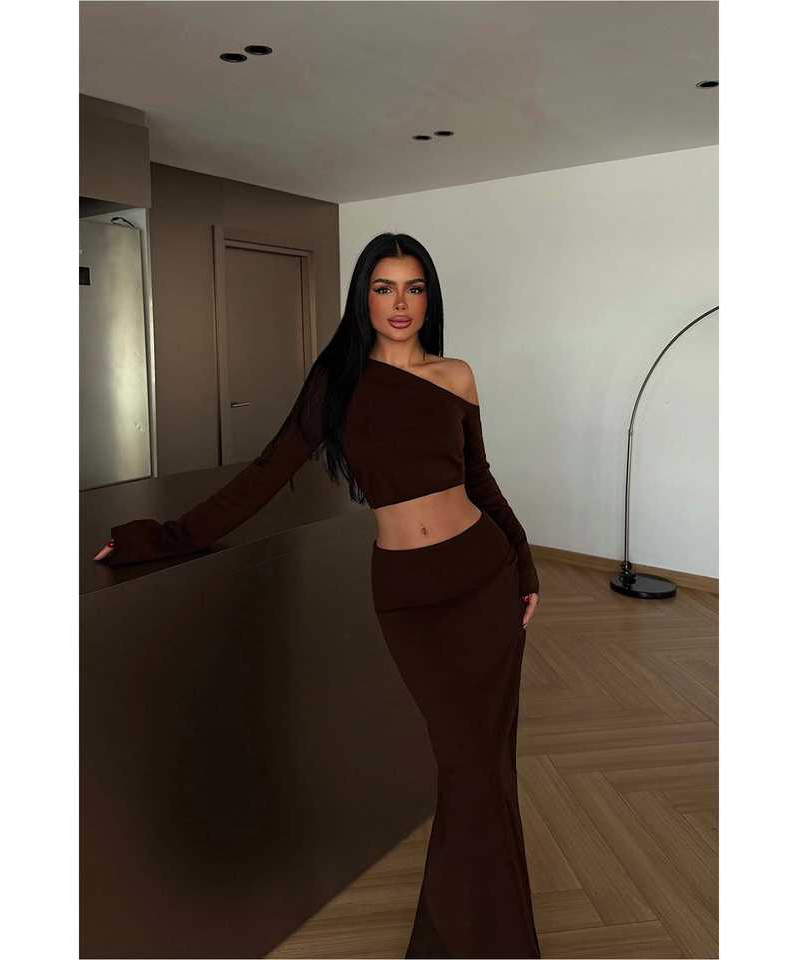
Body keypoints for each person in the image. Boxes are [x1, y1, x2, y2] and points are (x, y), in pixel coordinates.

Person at [94, 232, 542, 958]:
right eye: (384, 287)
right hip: (410, 598)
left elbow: (481, 480)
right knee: (468, 770)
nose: (400, 303)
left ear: (430, 297)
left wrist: (524, 566)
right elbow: (265, 474)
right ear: (363, 297)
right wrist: (164, 536)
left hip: (484, 579)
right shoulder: (337, 383)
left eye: (414, 287)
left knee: (484, 772)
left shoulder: (456, 375)